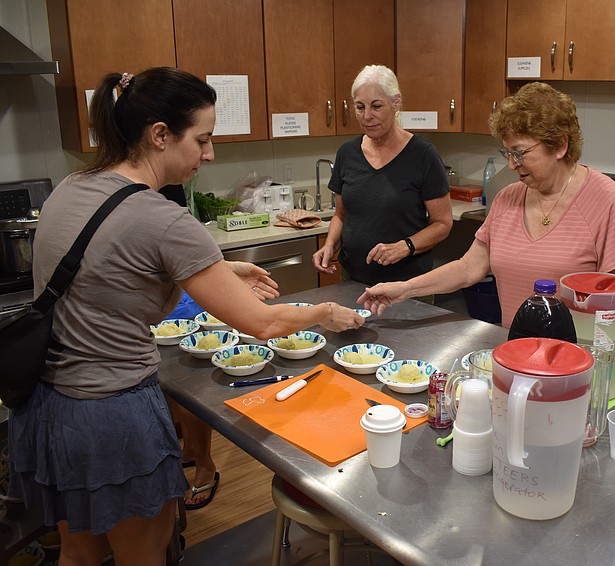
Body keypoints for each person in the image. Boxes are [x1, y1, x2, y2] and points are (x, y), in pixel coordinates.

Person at [7, 67, 363, 566]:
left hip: (51, 408)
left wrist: (222, 268)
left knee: (80, 554)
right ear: (159, 135)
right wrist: (323, 310)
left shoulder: (72, 187)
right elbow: (260, 324)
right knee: (144, 557)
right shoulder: (165, 219)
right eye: (203, 138)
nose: (210, 153)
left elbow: (120, 278)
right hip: (113, 417)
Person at [358, 82, 615, 364]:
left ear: (560, 145)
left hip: (590, 367)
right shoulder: (507, 199)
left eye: (520, 152)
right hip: (523, 358)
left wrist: (579, 330)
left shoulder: (609, 203)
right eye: (507, 153)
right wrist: (404, 289)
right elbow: (468, 267)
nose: (511, 164)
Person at [312, 65, 453, 296]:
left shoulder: (423, 155)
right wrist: (329, 246)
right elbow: (341, 214)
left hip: (407, 285)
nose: (367, 116)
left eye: (376, 106)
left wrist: (405, 247)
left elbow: (442, 224)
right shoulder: (347, 153)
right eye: (360, 107)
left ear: (396, 103)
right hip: (353, 281)